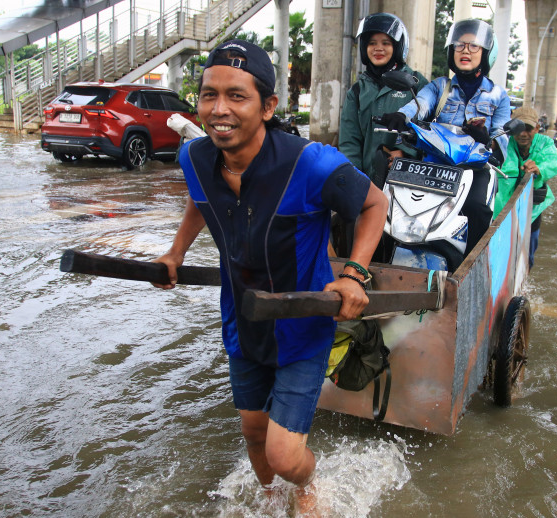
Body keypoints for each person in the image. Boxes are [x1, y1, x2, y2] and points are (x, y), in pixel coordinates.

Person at [152, 39, 388, 514]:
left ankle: (305, 485)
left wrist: (355, 275)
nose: (220, 109)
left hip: (302, 327)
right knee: (253, 435)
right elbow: (201, 200)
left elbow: (374, 203)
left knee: (284, 455)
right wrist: (175, 252)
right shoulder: (195, 157)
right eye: (208, 95)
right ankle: (270, 501)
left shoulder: (309, 162)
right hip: (243, 320)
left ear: (268, 106)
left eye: (237, 96)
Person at [380, 18, 511, 254]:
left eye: (474, 46)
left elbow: (501, 138)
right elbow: (420, 104)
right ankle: (383, 261)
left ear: (486, 53)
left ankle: (470, 271)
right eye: (459, 45)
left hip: (474, 169)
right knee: (394, 204)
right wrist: (401, 116)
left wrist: (485, 139)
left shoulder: (499, 96)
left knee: (477, 209)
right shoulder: (440, 86)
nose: (465, 51)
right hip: (434, 164)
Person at [338, 12, 428, 188]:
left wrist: (406, 153)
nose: (378, 48)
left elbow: (430, 128)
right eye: (372, 43)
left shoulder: (416, 84)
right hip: (368, 180)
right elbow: (349, 141)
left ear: (398, 46)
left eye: (385, 43)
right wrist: (354, 178)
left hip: (408, 180)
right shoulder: (357, 91)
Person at [494, 106, 557, 269]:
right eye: (519, 129)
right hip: (502, 208)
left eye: (528, 129)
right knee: (500, 250)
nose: (523, 134)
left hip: (532, 210)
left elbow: (553, 163)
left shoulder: (545, 143)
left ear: (537, 128)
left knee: (528, 253)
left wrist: (539, 168)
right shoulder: (503, 144)